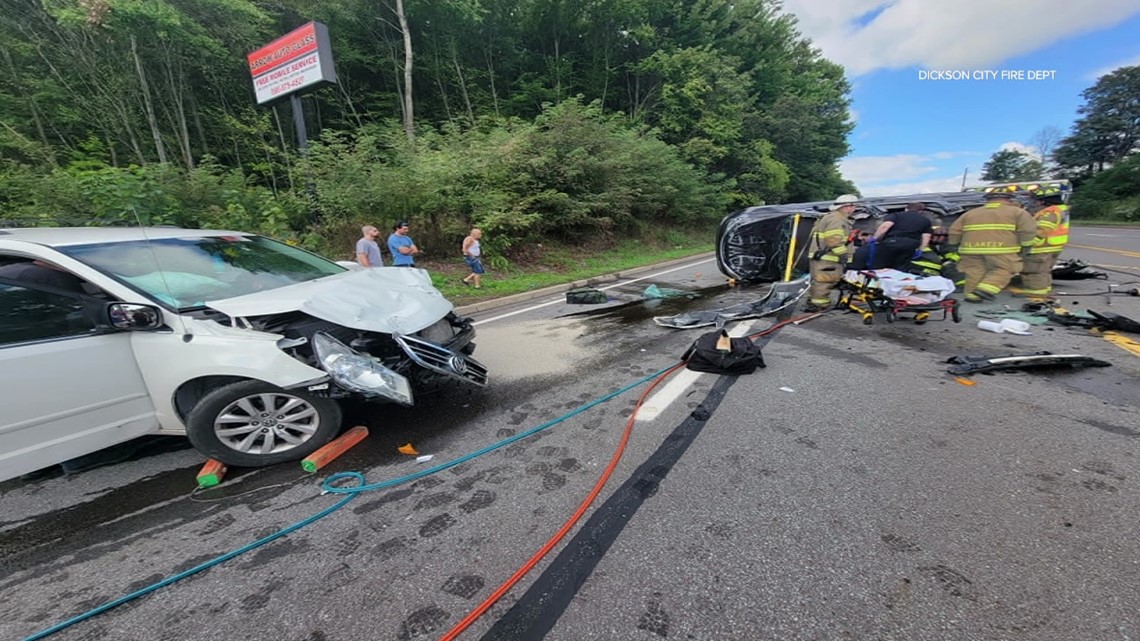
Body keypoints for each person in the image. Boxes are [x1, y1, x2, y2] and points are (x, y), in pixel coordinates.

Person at [946, 191, 1036, 302]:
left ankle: (972, 295)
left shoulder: (970, 213)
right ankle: (985, 290)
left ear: (987, 200)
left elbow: (955, 231)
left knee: (974, 271)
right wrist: (1026, 245)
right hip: (1001, 249)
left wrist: (954, 244)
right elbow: (1028, 231)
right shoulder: (1018, 212)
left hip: (970, 249)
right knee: (1005, 269)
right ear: (1009, 199)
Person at [1011, 186, 1070, 299]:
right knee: (1044, 271)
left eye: (1036, 200)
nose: (1035, 203)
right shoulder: (1061, 210)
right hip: (1052, 246)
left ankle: (1035, 294)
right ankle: (1044, 291)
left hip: (1041, 247)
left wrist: (1027, 244)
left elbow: (1041, 230)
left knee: (1033, 272)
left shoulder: (1051, 212)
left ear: (1043, 201)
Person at [804, 194, 859, 312]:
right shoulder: (837, 219)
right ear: (847, 207)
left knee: (821, 281)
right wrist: (843, 255)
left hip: (825, 257)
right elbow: (834, 241)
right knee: (824, 282)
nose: (854, 209)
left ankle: (816, 302)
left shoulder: (834, 218)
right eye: (853, 206)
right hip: (828, 258)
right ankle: (818, 305)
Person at [869, 202, 933, 270]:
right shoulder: (926, 221)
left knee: (882, 266)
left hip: (892, 242)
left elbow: (885, 226)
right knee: (901, 268)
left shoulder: (896, 215)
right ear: (921, 211)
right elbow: (926, 237)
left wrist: (874, 238)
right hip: (910, 244)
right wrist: (920, 249)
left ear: (906, 209)